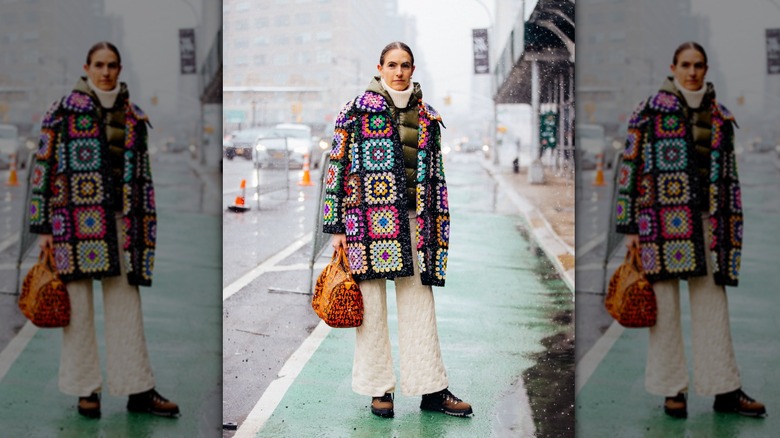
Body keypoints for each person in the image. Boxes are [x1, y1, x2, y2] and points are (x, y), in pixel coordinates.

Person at [28, 42, 179, 419]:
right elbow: (42, 168)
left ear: (119, 69)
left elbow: (141, 175)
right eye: (99, 65)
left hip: (122, 224)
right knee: (77, 308)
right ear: (87, 67)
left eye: (112, 65)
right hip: (71, 224)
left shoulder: (133, 116)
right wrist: (42, 226)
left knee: (127, 304)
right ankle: (86, 390)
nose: (106, 72)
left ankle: (138, 388)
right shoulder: (62, 111)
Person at [615, 41, 766, 418]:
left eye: (698, 65)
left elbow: (728, 176)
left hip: (708, 224)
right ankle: (672, 390)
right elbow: (629, 167)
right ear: (674, 68)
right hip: (658, 224)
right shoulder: (648, 111)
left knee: (713, 305)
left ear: (706, 69)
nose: (692, 72)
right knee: (664, 309)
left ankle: (725, 389)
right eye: (686, 64)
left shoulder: (720, 116)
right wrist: (629, 225)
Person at [322, 41, 472, 418]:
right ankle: (379, 390)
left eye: (405, 65)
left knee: (420, 303)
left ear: (413, 69)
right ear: (380, 68)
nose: (399, 72)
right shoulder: (355, 111)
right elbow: (336, 167)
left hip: (414, 222)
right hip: (365, 222)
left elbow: (435, 174)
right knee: (371, 307)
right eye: (392, 65)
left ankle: (431, 388)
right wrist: (336, 225)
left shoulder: (428, 116)